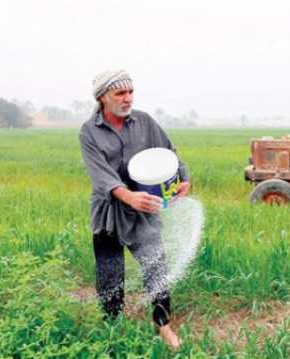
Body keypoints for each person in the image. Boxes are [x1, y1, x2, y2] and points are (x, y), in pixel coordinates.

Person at [78, 70, 190, 349]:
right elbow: (101, 175)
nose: (127, 98)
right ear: (103, 97)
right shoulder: (89, 132)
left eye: (130, 92)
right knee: (110, 274)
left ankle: (163, 324)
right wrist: (127, 196)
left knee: (156, 267)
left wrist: (184, 178)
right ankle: (112, 327)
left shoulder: (144, 122)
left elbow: (169, 152)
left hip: (144, 209)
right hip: (108, 211)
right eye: (120, 93)